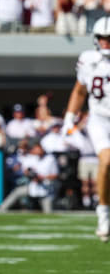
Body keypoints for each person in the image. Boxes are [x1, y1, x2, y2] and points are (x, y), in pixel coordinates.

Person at [62, 16, 110, 242]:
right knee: (107, 161)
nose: (106, 43)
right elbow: (80, 91)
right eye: (103, 38)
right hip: (100, 119)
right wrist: (69, 118)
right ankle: (103, 213)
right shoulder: (88, 60)